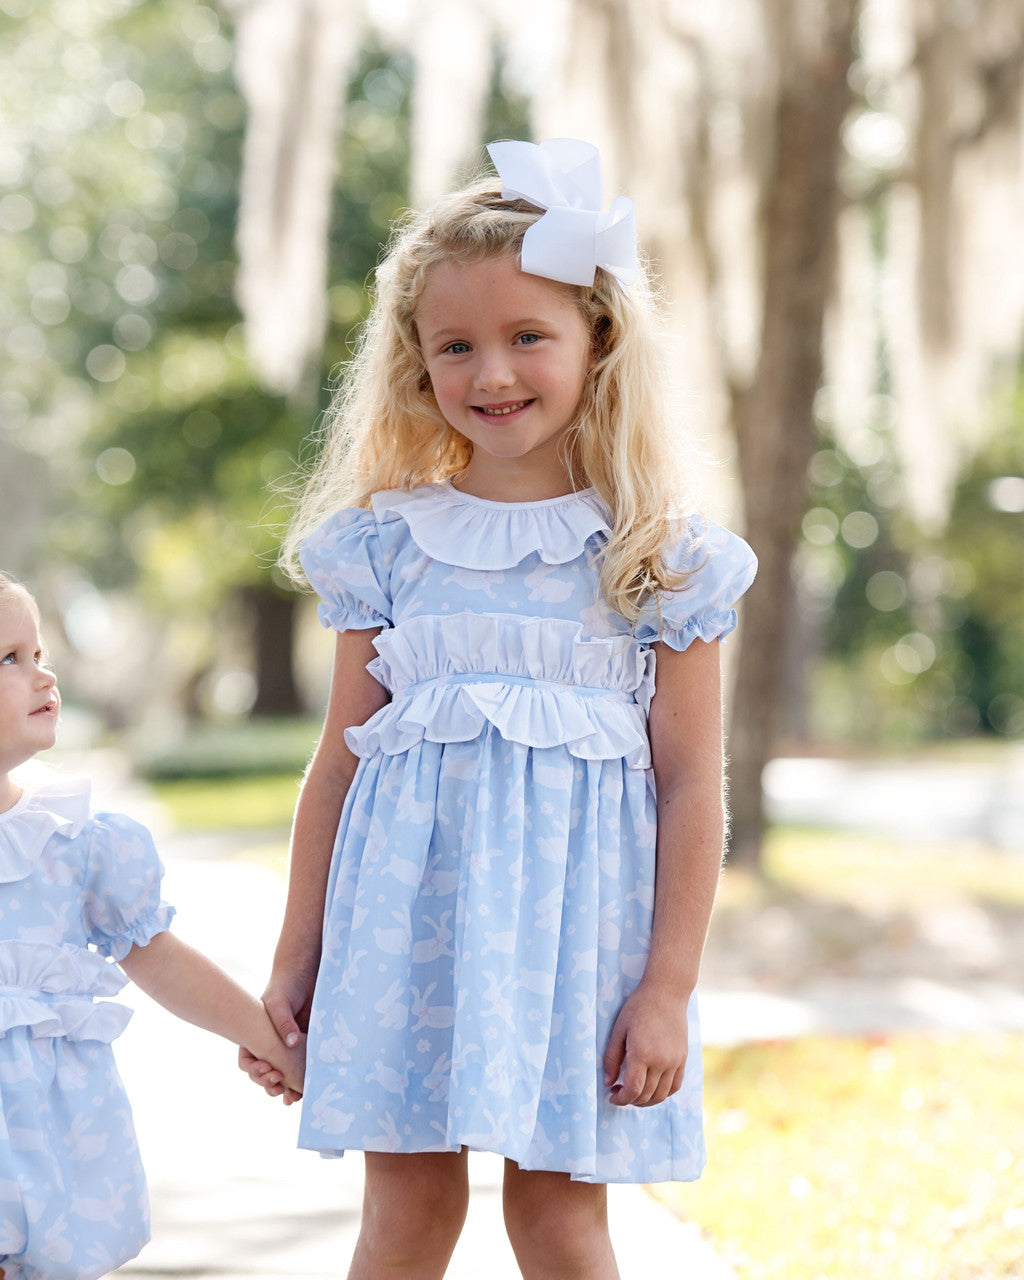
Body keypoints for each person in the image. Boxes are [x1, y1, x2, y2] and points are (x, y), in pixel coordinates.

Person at [241, 137, 757, 1280]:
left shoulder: (658, 559)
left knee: (560, 1222)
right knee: (407, 1214)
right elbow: (338, 759)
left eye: (529, 335)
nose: (492, 372)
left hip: (585, 944)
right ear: (416, 365)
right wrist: (296, 955)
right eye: (456, 345)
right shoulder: (381, 545)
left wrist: (666, 987)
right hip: (401, 929)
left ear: (598, 339)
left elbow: (688, 781)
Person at [0, 572, 305, 1280]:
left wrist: (274, 1042)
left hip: (48, 1169)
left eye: (38, 652)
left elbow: (160, 959)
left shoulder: (71, 846)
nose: (42, 674)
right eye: (8, 658)